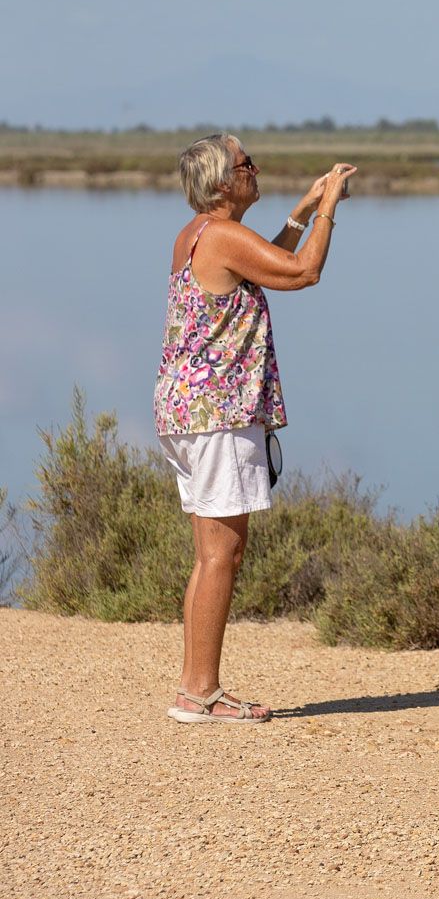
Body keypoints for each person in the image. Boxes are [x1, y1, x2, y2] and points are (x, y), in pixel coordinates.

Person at [157, 134, 354, 724]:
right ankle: (200, 693)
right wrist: (328, 207)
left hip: (190, 411)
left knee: (208, 554)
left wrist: (297, 210)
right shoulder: (218, 235)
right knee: (223, 554)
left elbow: (261, 265)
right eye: (246, 165)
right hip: (218, 414)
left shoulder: (199, 234)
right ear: (223, 183)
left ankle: (197, 687)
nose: (254, 169)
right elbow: (300, 272)